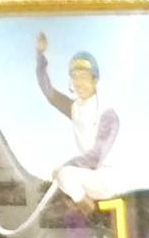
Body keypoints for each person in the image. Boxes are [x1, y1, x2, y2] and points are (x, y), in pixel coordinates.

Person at [34, 33, 119, 211]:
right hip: (88, 174)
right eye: (75, 77)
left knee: (64, 174)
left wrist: (67, 166)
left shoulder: (107, 114)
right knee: (58, 174)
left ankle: (89, 211)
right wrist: (40, 57)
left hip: (107, 177)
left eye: (84, 77)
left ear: (94, 80)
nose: (79, 83)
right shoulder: (75, 107)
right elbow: (49, 93)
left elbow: (95, 157)